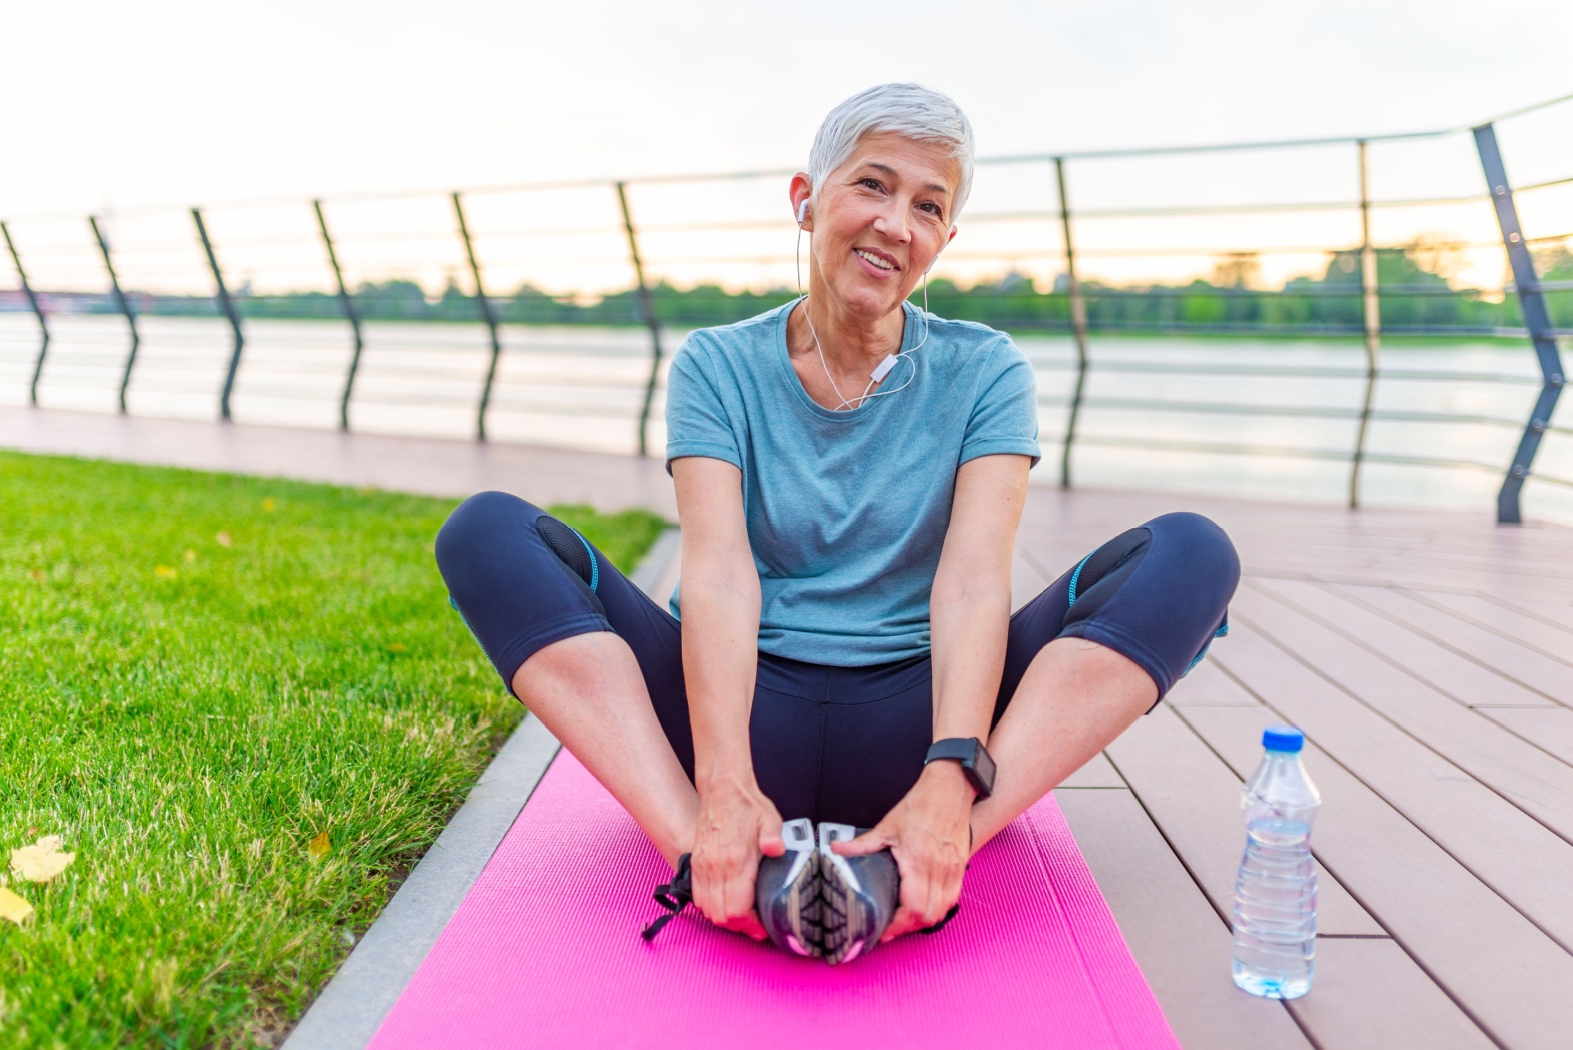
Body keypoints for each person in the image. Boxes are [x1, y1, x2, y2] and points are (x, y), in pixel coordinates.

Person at [435, 83, 1239, 965]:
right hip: (740, 715)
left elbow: (971, 583)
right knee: (487, 532)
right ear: (806, 200)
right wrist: (724, 782)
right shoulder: (717, 363)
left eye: (928, 206)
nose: (897, 223)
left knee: (1194, 557)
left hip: (915, 719)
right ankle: (705, 852)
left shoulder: (987, 370)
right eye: (873, 186)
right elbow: (718, 576)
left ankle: (931, 846)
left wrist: (950, 772)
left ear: (945, 240)